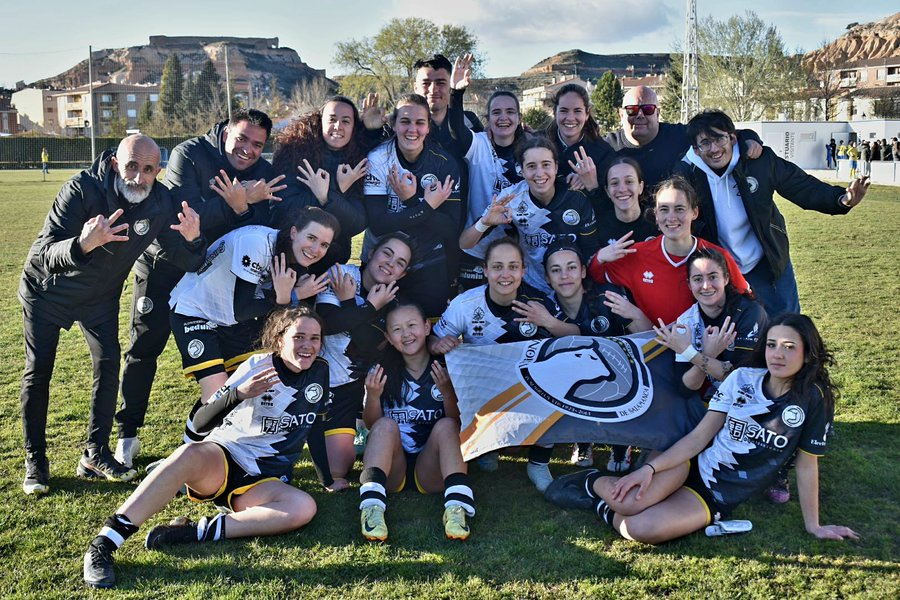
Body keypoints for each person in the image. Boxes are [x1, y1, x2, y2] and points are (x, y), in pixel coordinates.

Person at [548, 314, 859, 546]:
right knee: (629, 503)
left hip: (716, 493)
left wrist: (814, 526)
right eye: (771, 345)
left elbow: (807, 463)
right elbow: (700, 436)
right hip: (688, 461)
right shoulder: (743, 379)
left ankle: (597, 504)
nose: (777, 354)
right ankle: (591, 483)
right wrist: (650, 469)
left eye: (789, 347)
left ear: (807, 353)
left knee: (640, 530)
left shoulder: (814, 399)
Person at [82, 306, 329, 589]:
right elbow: (200, 423)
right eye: (299, 337)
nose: (308, 346)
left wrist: (329, 479)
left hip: (263, 480)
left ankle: (192, 532)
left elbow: (316, 425)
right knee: (189, 453)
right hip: (224, 459)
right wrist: (239, 394)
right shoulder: (257, 367)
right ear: (280, 338)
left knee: (303, 507)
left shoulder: (320, 372)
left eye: (315, 338)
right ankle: (105, 543)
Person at [19, 134, 205, 494]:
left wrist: (193, 240)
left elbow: (184, 259)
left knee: (107, 363)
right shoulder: (81, 190)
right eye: (132, 166)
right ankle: (36, 460)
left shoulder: (160, 202)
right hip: (47, 292)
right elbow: (43, 254)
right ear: (117, 163)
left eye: (148, 169)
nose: (138, 177)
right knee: (39, 372)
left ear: (158, 172)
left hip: (100, 297)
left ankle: (95, 451)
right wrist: (82, 244)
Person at [115, 109, 286, 469]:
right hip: (167, 265)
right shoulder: (189, 154)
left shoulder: (264, 174)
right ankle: (127, 435)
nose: (248, 150)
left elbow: (256, 227)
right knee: (145, 347)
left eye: (258, 145)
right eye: (242, 138)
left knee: (228, 357)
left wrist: (241, 208)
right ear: (226, 131)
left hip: (220, 281)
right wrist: (237, 203)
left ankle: (224, 435)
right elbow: (183, 222)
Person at [674, 110, 869, 317]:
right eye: (705, 143)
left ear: (732, 138)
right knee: (737, 332)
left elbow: (800, 185)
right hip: (722, 269)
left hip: (768, 260)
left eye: (719, 139)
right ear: (695, 150)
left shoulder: (759, 161)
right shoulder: (687, 174)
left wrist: (840, 199)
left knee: (786, 325)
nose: (714, 149)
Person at [169, 207, 338, 415]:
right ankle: (193, 444)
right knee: (217, 396)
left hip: (229, 319)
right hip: (194, 310)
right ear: (294, 232)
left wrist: (289, 296)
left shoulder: (294, 260)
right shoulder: (258, 243)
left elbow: (272, 312)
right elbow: (242, 309)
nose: (315, 249)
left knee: (256, 388)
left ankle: (233, 444)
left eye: (324, 245)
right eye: (311, 237)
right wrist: (290, 296)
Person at [429, 237, 566, 491]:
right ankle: (488, 444)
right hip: (484, 384)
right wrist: (437, 343)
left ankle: (538, 462)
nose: (505, 274)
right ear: (485, 270)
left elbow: (570, 342)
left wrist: (549, 322)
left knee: (559, 378)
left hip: (528, 385)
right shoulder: (466, 304)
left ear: (523, 270)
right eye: (497, 266)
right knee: (458, 374)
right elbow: (433, 339)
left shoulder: (539, 303)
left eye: (513, 267)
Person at [358, 302, 475, 542]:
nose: (406, 334)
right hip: (392, 467)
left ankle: (456, 507)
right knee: (385, 425)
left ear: (427, 327)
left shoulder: (447, 367)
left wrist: (446, 392)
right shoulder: (381, 370)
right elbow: (372, 425)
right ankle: (371, 506)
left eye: (412, 325)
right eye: (397, 329)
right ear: (389, 338)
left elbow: (457, 423)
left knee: (447, 426)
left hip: (432, 468)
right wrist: (373, 397)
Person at [314, 233, 414, 491]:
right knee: (339, 469)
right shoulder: (341, 273)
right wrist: (368, 308)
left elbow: (370, 343)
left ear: (402, 274)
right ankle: (353, 429)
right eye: (387, 253)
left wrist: (349, 302)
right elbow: (328, 324)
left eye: (400, 263)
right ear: (370, 253)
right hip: (333, 381)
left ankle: (364, 426)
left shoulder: (395, 300)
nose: (391, 264)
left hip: (364, 383)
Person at [528, 240, 637, 472]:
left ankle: (621, 442)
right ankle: (583, 440)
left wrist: (634, 314)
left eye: (571, 267)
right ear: (547, 277)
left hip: (618, 374)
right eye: (556, 270)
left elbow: (646, 337)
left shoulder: (608, 296)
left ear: (584, 270)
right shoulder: (545, 307)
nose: (564, 275)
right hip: (579, 380)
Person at [588, 176, 749, 328]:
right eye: (664, 209)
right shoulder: (637, 254)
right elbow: (597, 276)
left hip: (710, 347)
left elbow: (748, 304)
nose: (671, 218)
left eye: (679, 209)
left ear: (694, 213)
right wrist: (600, 257)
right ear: (656, 215)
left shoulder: (717, 257)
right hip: (658, 348)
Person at [459, 136, 601, 296]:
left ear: (556, 167)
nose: (540, 173)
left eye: (546, 165)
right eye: (531, 166)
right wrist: (485, 222)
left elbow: (591, 250)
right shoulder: (510, 198)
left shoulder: (576, 197)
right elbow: (465, 243)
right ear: (521, 169)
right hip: (534, 289)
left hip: (573, 286)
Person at [362, 93, 461, 319]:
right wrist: (425, 207)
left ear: (428, 127)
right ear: (394, 124)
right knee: (376, 328)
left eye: (420, 123)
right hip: (383, 261)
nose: (412, 129)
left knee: (425, 331)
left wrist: (410, 200)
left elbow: (449, 229)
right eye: (405, 121)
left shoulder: (443, 163)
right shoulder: (378, 159)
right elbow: (378, 224)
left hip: (429, 262)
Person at [271, 95, 385, 272]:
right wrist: (337, 190)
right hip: (287, 257)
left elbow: (357, 223)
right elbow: (285, 207)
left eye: (346, 121)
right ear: (320, 122)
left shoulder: (360, 162)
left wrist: (327, 196)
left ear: (354, 127)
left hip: (331, 260)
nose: (338, 126)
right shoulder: (294, 153)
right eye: (332, 119)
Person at [449, 53, 527, 289]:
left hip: (518, 253)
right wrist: (456, 92)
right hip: (476, 249)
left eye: (510, 112)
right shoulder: (479, 145)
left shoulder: (530, 150)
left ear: (519, 117)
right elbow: (456, 128)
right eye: (496, 112)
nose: (503, 117)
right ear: (488, 118)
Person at [655, 248, 767, 403]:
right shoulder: (686, 321)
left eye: (713, 277)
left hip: (757, 397)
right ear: (689, 284)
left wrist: (690, 353)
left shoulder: (750, 313)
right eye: (698, 279)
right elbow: (685, 389)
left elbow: (742, 380)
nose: (706, 286)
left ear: (726, 279)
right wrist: (708, 354)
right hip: (719, 399)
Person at [602, 86, 762, 192]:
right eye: (632, 110)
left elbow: (727, 134)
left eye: (648, 109)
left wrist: (749, 139)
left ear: (658, 113)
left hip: (674, 226)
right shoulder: (605, 146)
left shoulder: (679, 135)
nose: (640, 115)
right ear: (621, 114)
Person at [545, 83, 615, 207]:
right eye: (564, 111)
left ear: (587, 114)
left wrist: (591, 184)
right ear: (555, 113)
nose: (570, 118)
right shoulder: (539, 145)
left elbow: (609, 206)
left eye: (577, 111)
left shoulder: (603, 152)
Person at [413, 53, 483, 154]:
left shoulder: (469, 121)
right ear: (415, 87)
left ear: (450, 85)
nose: (433, 89)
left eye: (440, 83)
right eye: (426, 83)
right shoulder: (404, 126)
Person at [598, 156, 658, 247]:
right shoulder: (598, 228)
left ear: (640, 187)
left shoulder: (657, 222)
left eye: (629, 181)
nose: (622, 189)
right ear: (607, 192)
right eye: (614, 183)